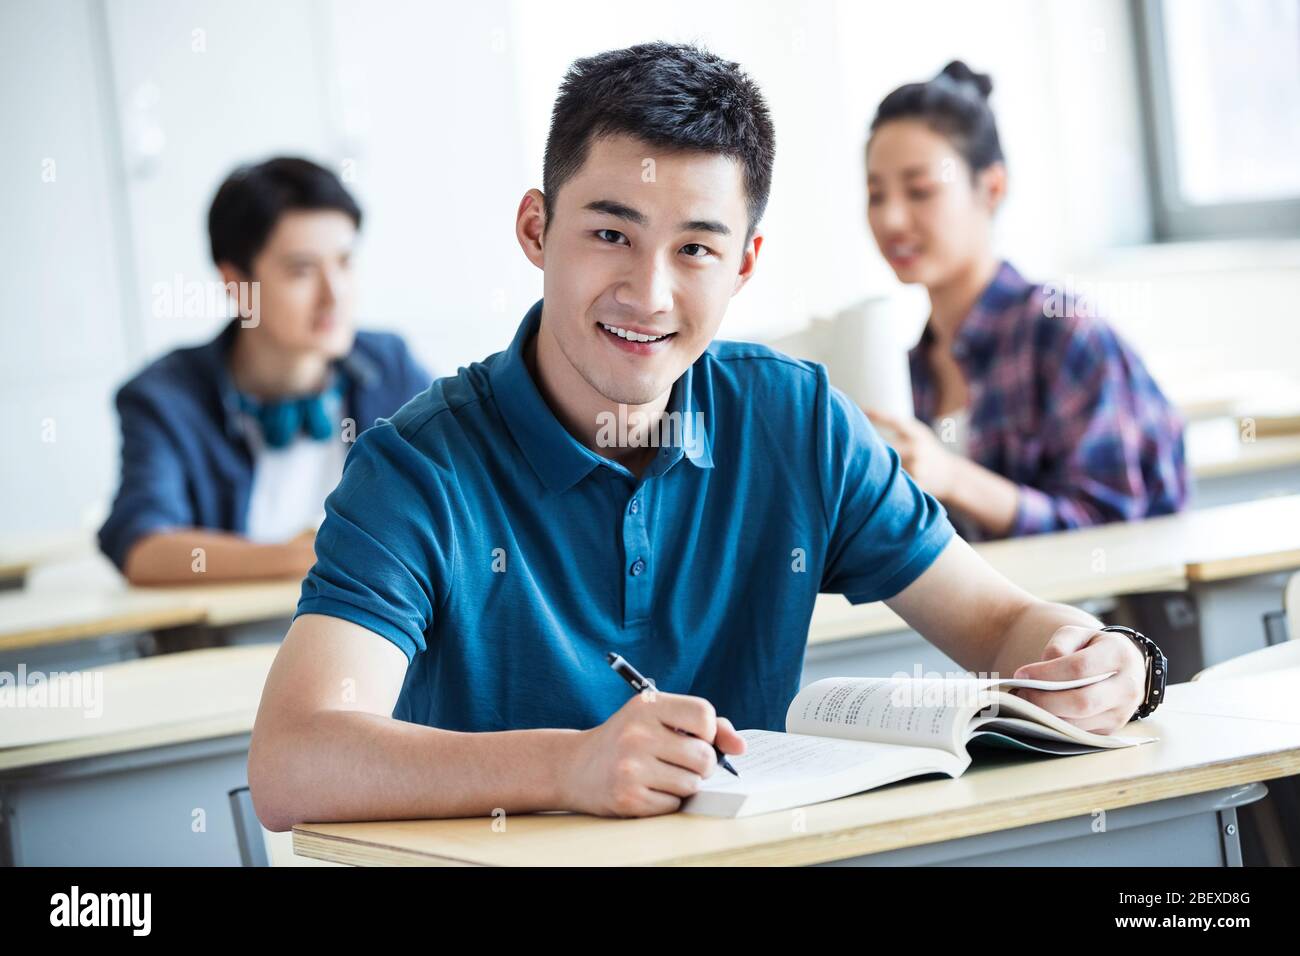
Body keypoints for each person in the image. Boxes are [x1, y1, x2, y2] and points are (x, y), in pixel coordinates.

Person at [250, 44, 1159, 829]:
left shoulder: (796, 420)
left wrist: (1100, 657)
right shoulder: (417, 466)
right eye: (611, 233)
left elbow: (999, 622)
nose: (647, 293)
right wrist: (568, 768)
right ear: (537, 228)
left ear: (744, 265)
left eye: (695, 249)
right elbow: (293, 762)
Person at [861, 61, 1189, 541]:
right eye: (875, 195)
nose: (891, 219)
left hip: (1091, 614)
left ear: (992, 187)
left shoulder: (1064, 332)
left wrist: (952, 478)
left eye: (920, 190)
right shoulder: (912, 370)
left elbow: (1113, 526)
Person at [98, 157, 432, 585]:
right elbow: (145, 548)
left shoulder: (390, 366)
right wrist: (317, 554)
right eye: (302, 271)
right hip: (233, 642)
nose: (335, 294)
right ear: (237, 284)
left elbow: (468, 488)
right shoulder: (165, 397)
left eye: (345, 263)